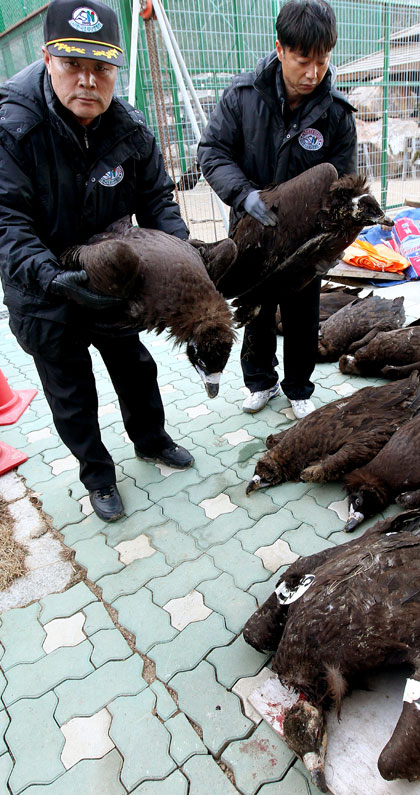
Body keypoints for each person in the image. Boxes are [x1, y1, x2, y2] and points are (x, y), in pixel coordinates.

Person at [0, 0, 195, 523]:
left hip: (109, 278)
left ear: (115, 67)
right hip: (42, 286)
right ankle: (98, 475)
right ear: (47, 59)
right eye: (73, 65)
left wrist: (189, 273)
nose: (88, 80)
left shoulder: (129, 129)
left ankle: (151, 440)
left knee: (135, 367)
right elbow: (7, 222)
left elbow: (158, 203)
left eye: (102, 67)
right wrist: (54, 279)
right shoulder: (13, 127)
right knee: (70, 390)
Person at [198, 0, 357, 420]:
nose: (313, 73)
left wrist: (328, 232)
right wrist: (243, 194)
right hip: (251, 231)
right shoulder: (242, 97)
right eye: (303, 61)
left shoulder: (336, 115)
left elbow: (343, 182)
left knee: (304, 312)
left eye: (322, 62)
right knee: (256, 310)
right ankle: (260, 382)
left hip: (303, 242)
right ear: (280, 49)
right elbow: (212, 152)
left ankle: (299, 387)